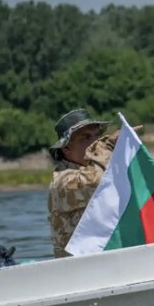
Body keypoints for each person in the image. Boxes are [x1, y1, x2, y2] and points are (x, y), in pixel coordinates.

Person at [47, 109, 114, 258]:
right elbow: (98, 183)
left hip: (104, 259)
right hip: (76, 268)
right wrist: (107, 146)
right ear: (66, 149)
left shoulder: (97, 169)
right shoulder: (62, 181)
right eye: (86, 137)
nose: (96, 141)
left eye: (98, 135)